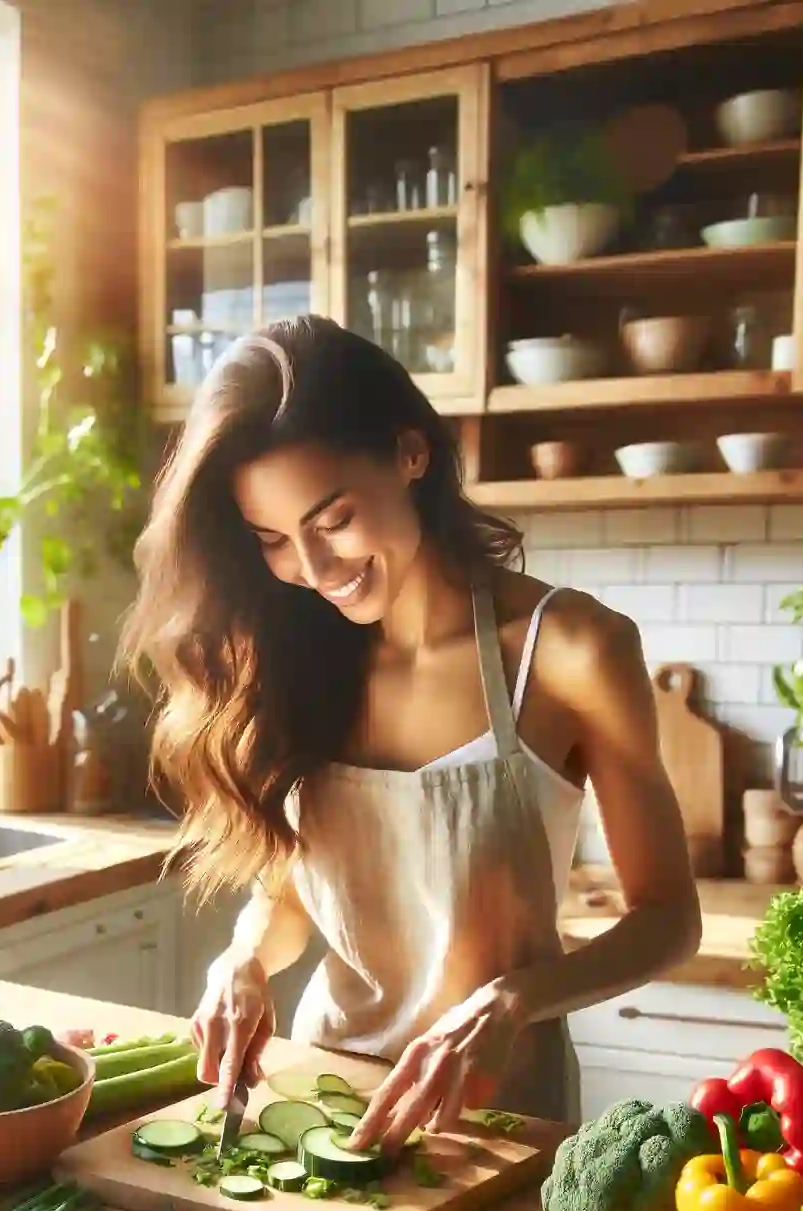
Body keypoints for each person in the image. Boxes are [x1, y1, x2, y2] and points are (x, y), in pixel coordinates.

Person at [120, 316, 700, 1149]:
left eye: (333, 520)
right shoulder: (293, 654)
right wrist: (243, 960)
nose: (315, 572)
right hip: (325, 1089)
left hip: (498, 1111)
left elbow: (669, 917)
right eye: (274, 541)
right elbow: (290, 888)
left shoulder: (570, 651)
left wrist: (516, 997)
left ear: (410, 454)